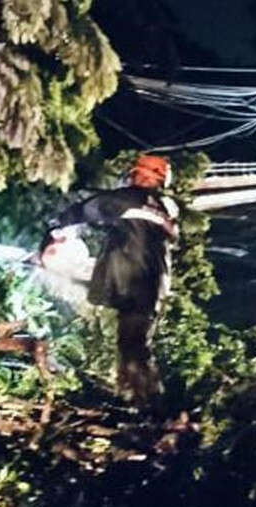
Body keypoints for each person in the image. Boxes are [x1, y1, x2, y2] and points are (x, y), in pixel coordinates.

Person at [43, 154, 179, 405]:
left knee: (132, 346)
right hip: (154, 285)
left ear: (141, 174)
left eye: (136, 172)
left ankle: (145, 402)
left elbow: (90, 209)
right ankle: (137, 398)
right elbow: (128, 229)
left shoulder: (128, 199)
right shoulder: (166, 208)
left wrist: (57, 227)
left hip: (131, 281)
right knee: (135, 341)